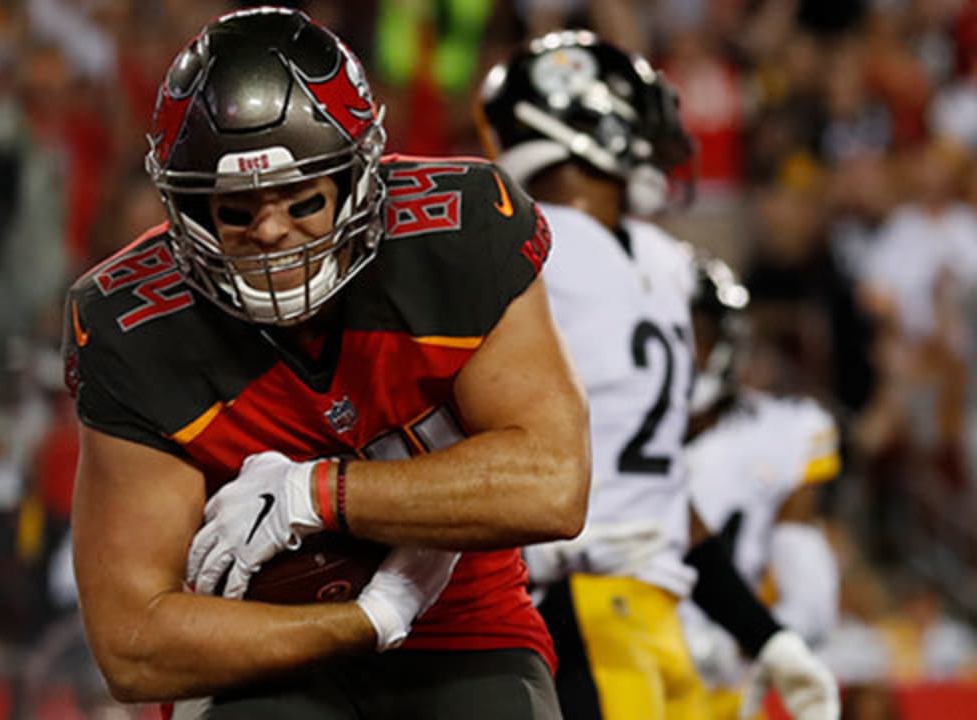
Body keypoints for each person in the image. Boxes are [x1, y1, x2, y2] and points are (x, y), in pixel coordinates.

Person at [66, 7, 590, 719]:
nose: (275, 230)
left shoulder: (459, 237)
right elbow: (132, 643)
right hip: (256, 642)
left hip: (460, 623)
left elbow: (554, 484)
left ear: (357, 178)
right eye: (236, 212)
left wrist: (316, 493)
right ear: (187, 211)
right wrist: (368, 619)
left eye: (304, 198)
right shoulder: (133, 326)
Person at [477, 31, 839, 720]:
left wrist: (765, 635)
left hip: (655, 611)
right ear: (583, 117)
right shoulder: (522, 244)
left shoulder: (665, 260)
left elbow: (664, 493)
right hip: (576, 601)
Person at [680, 256, 843, 718]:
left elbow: (810, 595)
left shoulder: (785, 430)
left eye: (694, 334)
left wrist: (741, 640)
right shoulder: (603, 430)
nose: (681, 352)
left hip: (721, 683)